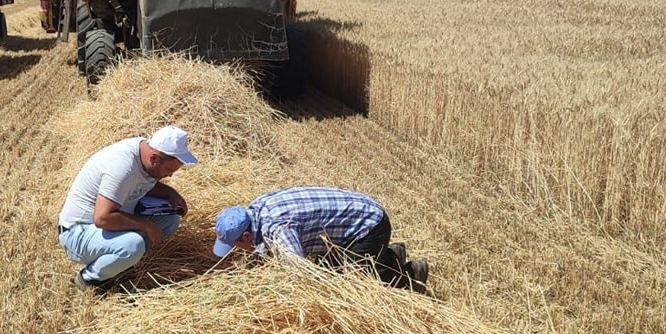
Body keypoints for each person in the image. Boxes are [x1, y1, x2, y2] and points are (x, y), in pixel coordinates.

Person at [58, 125, 197, 292]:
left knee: (169, 220)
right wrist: (145, 225)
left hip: (105, 225)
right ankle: (89, 279)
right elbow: (102, 218)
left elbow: (137, 184)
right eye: (169, 170)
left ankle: (122, 263)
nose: (170, 175)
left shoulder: (144, 155)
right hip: (78, 232)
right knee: (133, 245)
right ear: (154, 158)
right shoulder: (121, 167)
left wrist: (170, 193)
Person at [212, 187, 428, 292]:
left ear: (246, 236)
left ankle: (410, 276)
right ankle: (390, 256)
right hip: (361, 213)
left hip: (369, 226)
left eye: (236, 246)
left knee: (350, 284)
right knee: (331, 264)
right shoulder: (257, 207)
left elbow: (304, 274)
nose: (238, 250)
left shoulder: (278, 229)